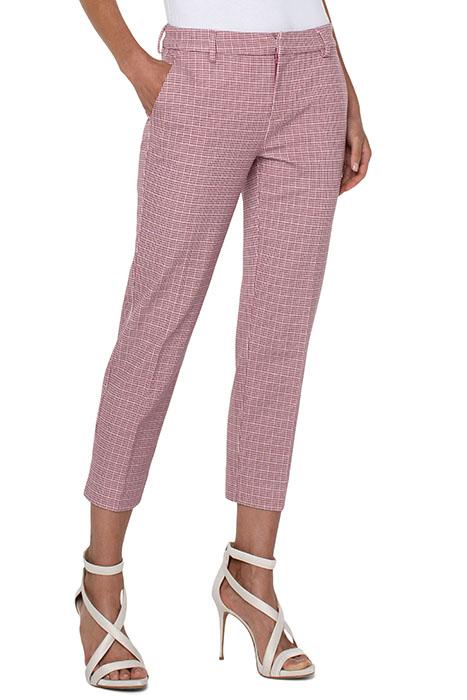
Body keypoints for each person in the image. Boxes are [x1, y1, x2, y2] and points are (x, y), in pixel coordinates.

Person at [75, 0, 371, 689]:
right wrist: (134, 65)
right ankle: (100, 584)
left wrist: (346, 87)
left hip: (313, 75)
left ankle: (251, 577)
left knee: (279, 341)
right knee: (153, 331)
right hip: (202, 75)